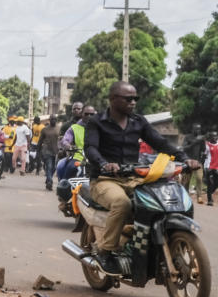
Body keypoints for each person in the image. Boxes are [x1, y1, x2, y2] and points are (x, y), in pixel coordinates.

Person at [84, 81, 197, 275]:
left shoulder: (138, 121)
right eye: (128, 99)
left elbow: (159, 142)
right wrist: (104, 164)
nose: (133, 102)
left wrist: (185, 158)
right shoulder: (97, 122)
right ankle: (106, 252)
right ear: (113, 99)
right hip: (105, 179)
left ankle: (152, 243)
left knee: (159, 203)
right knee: (121, 204)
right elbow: (91, 148)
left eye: (135, 98)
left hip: (134, 178)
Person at [57, 105, 96, 180]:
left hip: (96, 159)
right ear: (82, 114)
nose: (89, 116)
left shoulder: (100, 127)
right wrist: (67, 145)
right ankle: (65, 188)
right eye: (86, 114)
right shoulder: (74, 127)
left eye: (92, 114)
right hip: (79, 157)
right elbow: (65, 139)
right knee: (71, 168)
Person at [181, 123, 207, 204]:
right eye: (196, 129)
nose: (198, 131)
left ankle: (199, 196)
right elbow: (184, 148)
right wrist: (195, 142)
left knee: (199, 178)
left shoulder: (201, 138)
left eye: (199, 129)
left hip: (198, 161)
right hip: (188, 161)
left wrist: (202, 141)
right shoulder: (187, 137)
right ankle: (185, 196)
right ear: (193, 129)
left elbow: (203, 149)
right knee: (186, 181)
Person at [37, 115, 60, 191]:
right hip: (46, 150)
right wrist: (38, 150)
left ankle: (48, 178)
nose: (53, 120)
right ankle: (50, 182)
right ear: (49, 120)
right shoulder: (45, 129)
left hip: (56, 151)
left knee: (54, 167)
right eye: (52, 119)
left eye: (55, 119)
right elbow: (40, 141)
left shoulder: (59, 128)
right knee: (49, 166)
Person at [205, 131, 218, 206]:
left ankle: (210, 193)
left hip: (217, 167)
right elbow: (205, 156)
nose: (215, 137)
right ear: (210, 137)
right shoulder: (207, 145)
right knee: (209, 184)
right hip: (209, 166)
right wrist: (205, 167)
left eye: (216, 136)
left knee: (216, 183)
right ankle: (209, 200)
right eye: (213, 136)